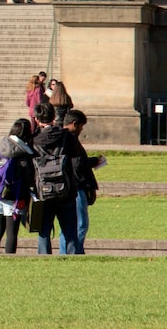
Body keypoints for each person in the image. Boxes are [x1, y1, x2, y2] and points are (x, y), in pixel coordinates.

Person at [31, 102, 79, 255]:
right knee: (70, 230)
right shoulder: (66, 136)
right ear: (54, 116)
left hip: (43, 190)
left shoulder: (33, 140)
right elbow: (77, 161)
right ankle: (72, 259)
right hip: (66, 189)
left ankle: (44, 258)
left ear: (37, 119)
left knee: (44, 231)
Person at [0, 119, 35, 254]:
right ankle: (10, 258)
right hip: (14, 196)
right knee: (12, 232)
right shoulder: (24, 153)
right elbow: (29, 177)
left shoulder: (2, 147)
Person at [57, 109, 103, 255]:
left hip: (68, 185)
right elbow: (77, 163)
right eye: (81, 126)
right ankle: (73, 252)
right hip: (76, 186)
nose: (81, 130)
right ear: (74, 124)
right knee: (80, 224)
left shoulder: (60, 137)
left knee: (70, 225)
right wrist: (94, 161)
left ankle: (72, 251)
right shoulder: (70, 138)